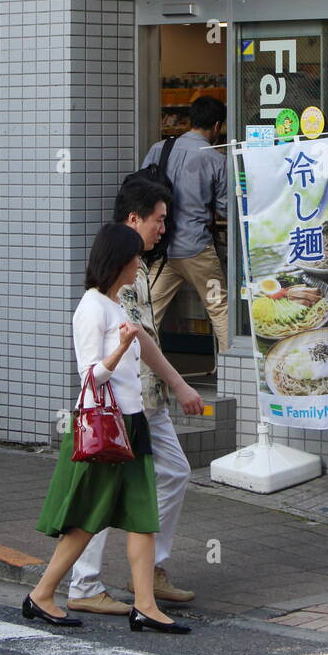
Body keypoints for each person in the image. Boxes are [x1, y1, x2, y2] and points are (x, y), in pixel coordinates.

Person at [25, 224, 191, 634]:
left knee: (142, 517)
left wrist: (178, 383)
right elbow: (90, 377)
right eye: (134, 257)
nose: (139, 264)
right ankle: (42, 594)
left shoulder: (116, 305)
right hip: (103, 428)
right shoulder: (91, 308)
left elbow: (146, 349)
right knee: (85, 520)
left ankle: (144, 606)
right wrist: (119, 349)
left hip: (131, 424)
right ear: (117, 261)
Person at [67, 179, 205, 615]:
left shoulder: (139, 268)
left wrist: (174, 384)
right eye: (158, 219)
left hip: (147, 399)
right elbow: (121, 348)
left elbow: (143, 338)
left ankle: (147, 574)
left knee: (172, 474)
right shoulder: (116, 280)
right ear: (134, 219)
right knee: (107, 492)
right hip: (120, 406)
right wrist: (173, 384)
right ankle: (87, 584)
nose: (163, 228)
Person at [142, 95, 228, 352]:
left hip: (164, 248)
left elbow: (143, 191)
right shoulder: (214, 158)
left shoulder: (160, 149)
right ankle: (232, 374)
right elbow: (225, 207)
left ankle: (144, 377)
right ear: (216, 126)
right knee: (219, 308)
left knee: (148, 313)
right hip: (197, 251)